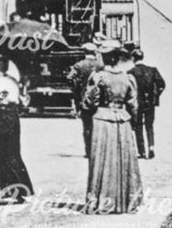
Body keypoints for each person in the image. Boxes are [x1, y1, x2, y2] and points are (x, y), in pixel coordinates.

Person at [84, 42, 143, 214]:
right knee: (123, 159)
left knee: (102, 159)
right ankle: (125, 202)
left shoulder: (99, 77)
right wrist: (133, 120)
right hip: (122, 120)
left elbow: (90, 101)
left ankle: (100, 200)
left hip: (103, 119)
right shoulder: (127, 78)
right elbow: (133, 104)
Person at [0, 53, 33, 201]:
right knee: (11, 153)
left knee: (0, 153)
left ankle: (7, 188)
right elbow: (24, 102)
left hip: (2, 117)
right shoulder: (13, 81)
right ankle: (16, 189)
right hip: (13, 117)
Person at [128, 48, 166, 159]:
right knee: (149, 125)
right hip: (150, 102)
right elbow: (162, 84)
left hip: (137, 103)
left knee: (138, 125)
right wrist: (155, 95)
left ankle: (142, 151)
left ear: (133, 58)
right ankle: (151, 147)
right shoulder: (152, 70)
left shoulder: (131, 72)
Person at [67, 43, 101, 158]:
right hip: (98, 98)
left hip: (83, 98)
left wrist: (76, 89)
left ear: (84, 52)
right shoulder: (100, 65)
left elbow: (69, 77)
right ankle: (97, 149)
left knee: (86, 126)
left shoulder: (79, 65)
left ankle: (88, 151)